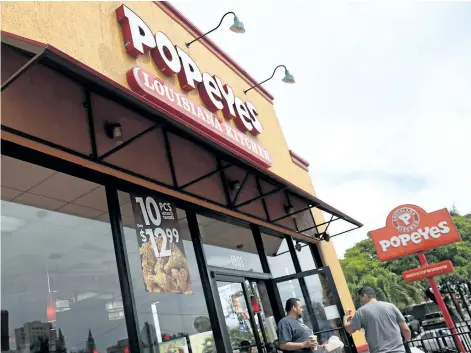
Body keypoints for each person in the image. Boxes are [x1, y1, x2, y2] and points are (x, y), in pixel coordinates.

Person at [344, 286, 411, 353]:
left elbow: (349, 330)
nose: (360, 301)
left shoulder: (361, 312)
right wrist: (407, 342)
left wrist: (345, 319)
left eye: (360, 298)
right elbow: (406, 330)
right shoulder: (391, 306)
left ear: (364, 296)